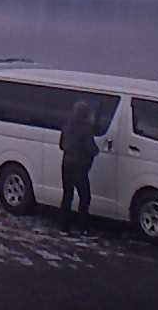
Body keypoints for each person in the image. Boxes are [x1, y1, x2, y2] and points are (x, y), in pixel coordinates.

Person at [59, 100, 99, 234]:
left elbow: (61, 145)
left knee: (67, 195)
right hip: (79, 166)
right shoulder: (86, 128)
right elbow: (90, 148)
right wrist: (96, 151)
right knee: (85, 197)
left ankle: (64, 226)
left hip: (66, 164)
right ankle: (83, 227)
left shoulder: (67, 126)